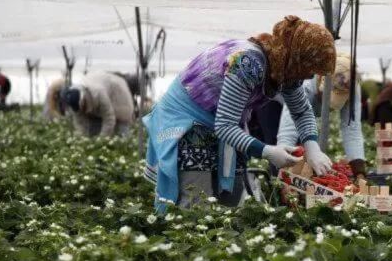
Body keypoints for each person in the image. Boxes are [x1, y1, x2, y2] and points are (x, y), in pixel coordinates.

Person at [142, 15, 336, 211]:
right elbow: (225, 126)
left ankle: (226, 238)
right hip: (189, 119)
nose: (311, 76)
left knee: (233, 194)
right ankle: (189, 236)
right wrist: (267, 151)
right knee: (196, 200)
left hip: (222, 120)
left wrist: (312, 148)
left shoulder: (287, 69)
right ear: (298, 56)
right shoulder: (247, 64)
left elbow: (302, 111)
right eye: (310, 68)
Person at [275, 53, 366, 178]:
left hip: (306, 114)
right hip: (275, 102)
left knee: (309, 151)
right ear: (321, 81)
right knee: (285, 153)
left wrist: (359, 170)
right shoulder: (305, 83)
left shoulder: (351, 86)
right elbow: (289, 128)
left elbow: (352, 128)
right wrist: (283, 166)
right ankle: (277, 184)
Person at [61, 71, 134, 137]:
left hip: (118, 93)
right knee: (93, 127)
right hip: (99, 83)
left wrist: (102, 140)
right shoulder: (73, 99)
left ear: (83, 99)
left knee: (121, 125)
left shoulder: (98, 93)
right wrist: (84, 137)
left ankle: (124, 144)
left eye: (81, 105)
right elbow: (79, 122)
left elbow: (109, 118)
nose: (80, 109)